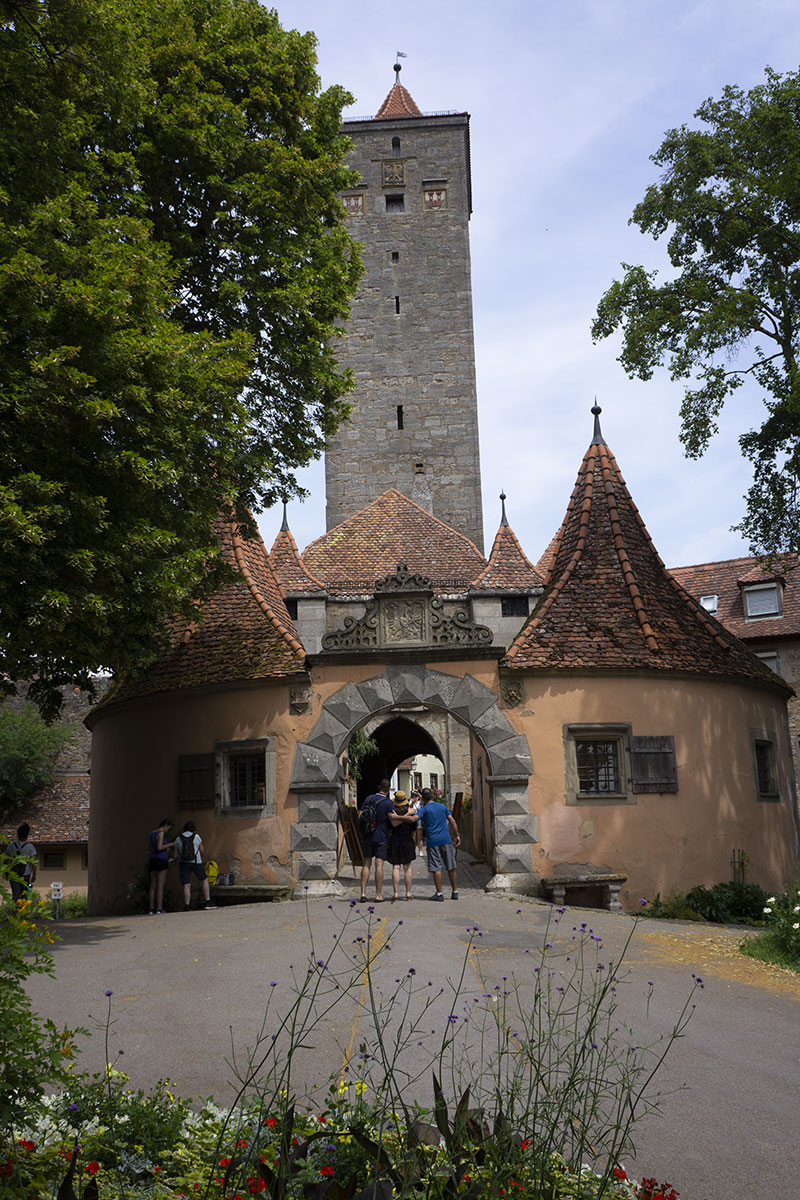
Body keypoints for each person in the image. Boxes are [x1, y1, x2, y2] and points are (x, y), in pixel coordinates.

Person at [417, 788, 461, 901]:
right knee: (451, 866)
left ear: (422, 798)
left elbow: (415, 819)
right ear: (432, 796)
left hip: (433, 841)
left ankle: (440, 894)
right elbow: (452, 821)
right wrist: (457, 835)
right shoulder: (442, 806)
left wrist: (400, 817)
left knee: (436, 867)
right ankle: (455, 892)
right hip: (446, 839)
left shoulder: (424, 809)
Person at [357, 778, 394, 902]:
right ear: (388, 790)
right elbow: (392, 819)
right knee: (379, 865)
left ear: (379, 787)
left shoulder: (368, 798)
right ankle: (378, 895)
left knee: (366, 863)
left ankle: (363, 894)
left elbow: (360, 815)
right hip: (381, 836)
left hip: (368, 835)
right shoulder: (388, 803)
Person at [175, 820, 216, 911]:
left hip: (184, 863)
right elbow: (202, 850)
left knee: (186, 885)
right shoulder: (196, 836)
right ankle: (208, 902)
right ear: (193, 829)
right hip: (196, 862)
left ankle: (187, 906)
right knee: (204, 880)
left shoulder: (178, 838)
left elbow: (175, 855)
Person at [387, 790, 419, 901]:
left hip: (395, 838)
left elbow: (390, 826)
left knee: (396, 867)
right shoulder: (410, 811)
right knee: (407, 867)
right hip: (407, 838)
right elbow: (414, 827)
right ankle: (408, 893)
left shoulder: (392, 811)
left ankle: (395, 893)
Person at [4, 822, 37, 902]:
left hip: (13, 873)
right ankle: (23, 910)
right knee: (24, 894)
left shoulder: (11, 846)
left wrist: (6, 872)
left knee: (15, 894)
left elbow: (5, 860)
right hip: (25, 873)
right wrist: (34, 875)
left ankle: (15, 909)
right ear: (27, 834)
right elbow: (33, 863)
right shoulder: (30, 847)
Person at [147, 818, 174, 914]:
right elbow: (159, 847)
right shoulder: (161, 833)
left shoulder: (151, 834)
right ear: (166, 825)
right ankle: (159, 908)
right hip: (161, 859)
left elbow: (151, 847)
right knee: (160, 885)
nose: (168, 830)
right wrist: (170, 845)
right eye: (168, 828)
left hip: (152, 859)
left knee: (153, 885)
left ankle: (151, 908)